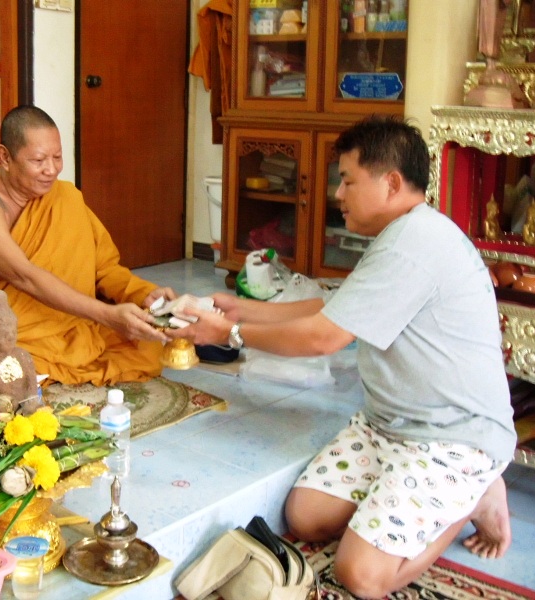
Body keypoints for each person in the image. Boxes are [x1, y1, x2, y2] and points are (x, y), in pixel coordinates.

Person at [167, 116, 516, 598]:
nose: (337, 193)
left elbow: (324, 338)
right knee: (306, 517)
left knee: (362, 577)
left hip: (451, 436)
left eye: (348, 180)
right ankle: (411, 503)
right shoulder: (403, 234)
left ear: (391, 183)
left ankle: (472, 492)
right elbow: (335, 306)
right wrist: (244, 307)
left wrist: (232, 334)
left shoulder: (415, 244)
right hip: (388, 426)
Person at [0, 105, 175, 386]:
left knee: (148, 347)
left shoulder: (65, 197)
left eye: (57, 157)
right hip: (0, 328)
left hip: (69, 320)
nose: (51, 170)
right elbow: (24, 276)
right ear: (5, 156)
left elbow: (104, 267)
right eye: (38, 160)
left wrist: (144, 294)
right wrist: (109, 315)